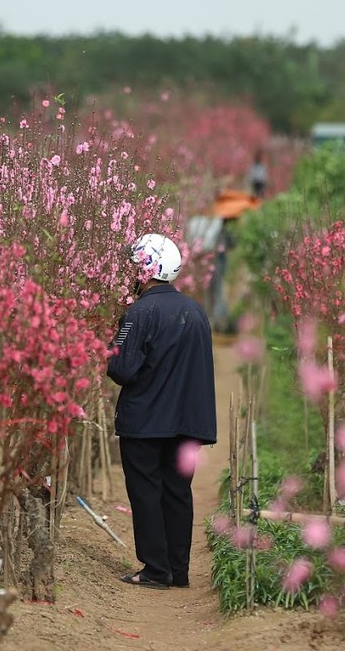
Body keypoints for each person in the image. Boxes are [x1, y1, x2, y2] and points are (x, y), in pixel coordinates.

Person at [107, 233, 217, 590]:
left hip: (146, 421)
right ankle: (177, 569)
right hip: (187, 422)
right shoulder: (194, 311)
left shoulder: (139, 313)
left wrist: (112, 346)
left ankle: (155, 570)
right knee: (177, 492)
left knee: (146, 492)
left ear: (144, 269)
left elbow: (121, 369)